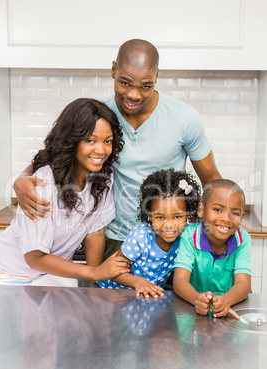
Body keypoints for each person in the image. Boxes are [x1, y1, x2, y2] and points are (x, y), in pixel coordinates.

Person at [13, 39, 221, 280]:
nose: (134, 94)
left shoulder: (185, 118)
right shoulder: (99, 114)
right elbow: (57, 151)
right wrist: (22, 179)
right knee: (108, 312)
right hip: (114, 240)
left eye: (146, 85)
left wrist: (215, 235)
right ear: (113, 69)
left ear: (157, 77)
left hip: (168, 240)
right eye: (124, 82)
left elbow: (213, 180)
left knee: (173, 313)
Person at [0, 98, 131, 285]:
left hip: (48, 277)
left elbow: (95, 231)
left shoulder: (104, 175)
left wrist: (94, 287)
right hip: (11, 274)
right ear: (72, 141)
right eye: (90, 140)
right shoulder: (44, 183)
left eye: (107, 141)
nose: (101, 150)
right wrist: (94, 273)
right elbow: (34, 257)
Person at [96, 168, 201, 298]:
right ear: (149, 215)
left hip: (143, 297)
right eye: (160, 217)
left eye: (177, 217)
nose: (169, 225)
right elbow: (115, 272)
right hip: (109, 293)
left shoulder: (186, 237)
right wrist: (138, 282)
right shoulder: (140, 236)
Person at [172, 179, 251, 319]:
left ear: (242, 217)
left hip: (229, 312)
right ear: (201, 210)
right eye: (217, 209)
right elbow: (179, 281)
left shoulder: (243, 239)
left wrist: (226, 300)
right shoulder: (189, 236)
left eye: (235, 213)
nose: (226, 218)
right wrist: (196, 299)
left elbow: (244, 284)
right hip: (192, 311)